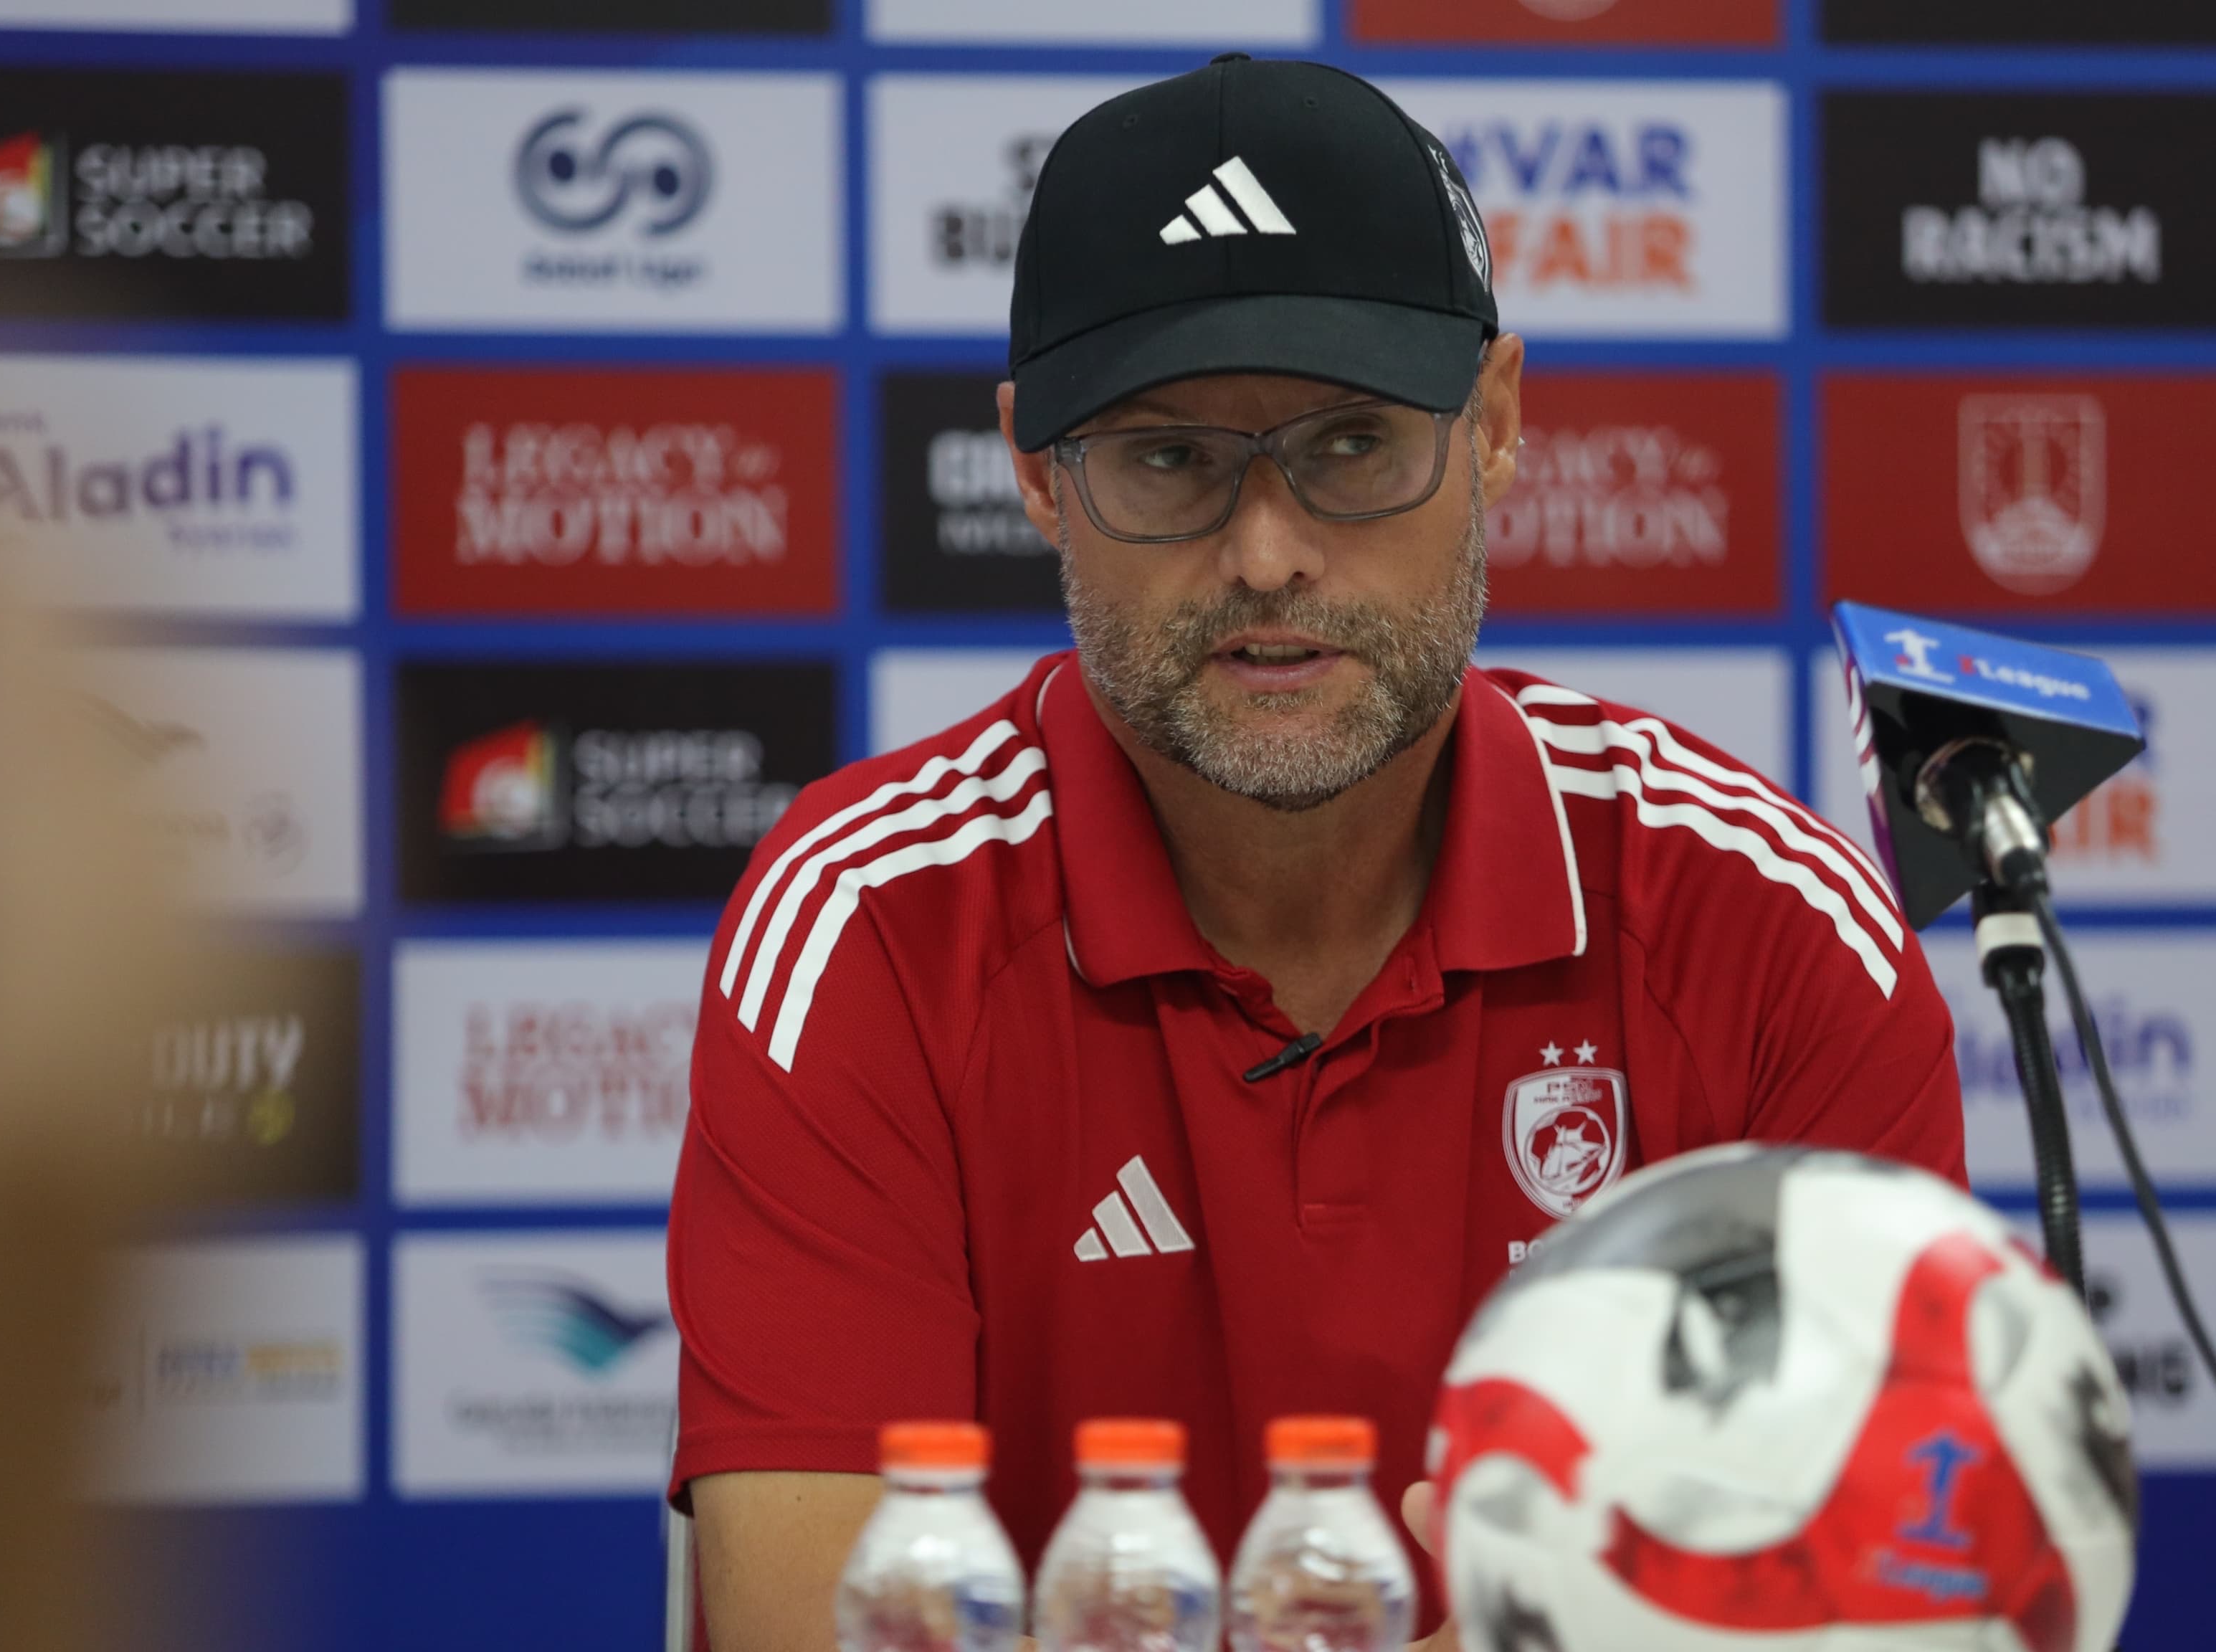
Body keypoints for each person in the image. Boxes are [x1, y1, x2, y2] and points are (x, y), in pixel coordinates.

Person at [670, 55, 1964, 1652]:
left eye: (1351, 445)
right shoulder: (870, 928)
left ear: (1494, 427)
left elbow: (1908, 1600)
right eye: (1169, 458)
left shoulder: (1766, 927)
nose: (1268, 553)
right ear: (1035, 473)